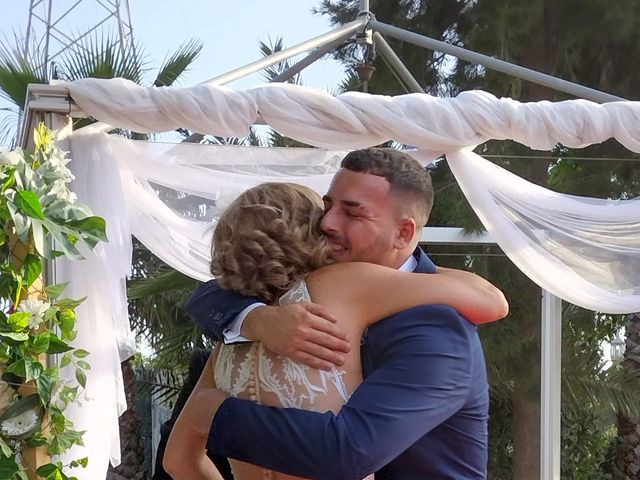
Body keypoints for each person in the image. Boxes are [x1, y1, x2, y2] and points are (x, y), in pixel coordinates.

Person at [175, 149, 507, 479]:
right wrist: (255, 319)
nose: (328, 222)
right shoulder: (274, 306)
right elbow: (211, 293)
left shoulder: (438, 327)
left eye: (352, 213)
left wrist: (212, 413)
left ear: (404, 233)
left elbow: (349, 452)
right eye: (328, 205)